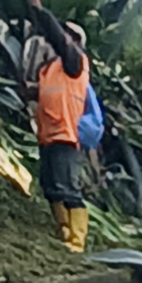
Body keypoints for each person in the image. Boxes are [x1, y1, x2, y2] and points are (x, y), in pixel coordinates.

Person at [28, 25, 92, 253]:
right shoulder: (49, 69)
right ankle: (63, 231)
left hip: (66, 135)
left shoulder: (75, 62)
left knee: (68, 189)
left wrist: (41, 14)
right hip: (48, 136)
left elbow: (60, 40)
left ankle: (77, 241)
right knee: (51, 187)